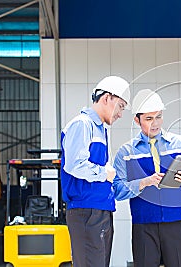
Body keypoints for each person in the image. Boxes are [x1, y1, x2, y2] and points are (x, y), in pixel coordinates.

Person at [113, 89, 181, 267]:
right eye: (149, 119)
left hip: (176, 223)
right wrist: (143, 183)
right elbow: (117, 190)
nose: (155, 123)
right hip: (143, 225)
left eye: (158, 117)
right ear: (137, 120)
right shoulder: (126, 153)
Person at [60, 76, 130, 267]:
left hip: (100, 210)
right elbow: (73, 165)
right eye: (121, 106)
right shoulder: (82, 124)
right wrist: (104, 173)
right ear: (107, 98)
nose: (121, 114)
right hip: (86, 211)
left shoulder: (100, 130)